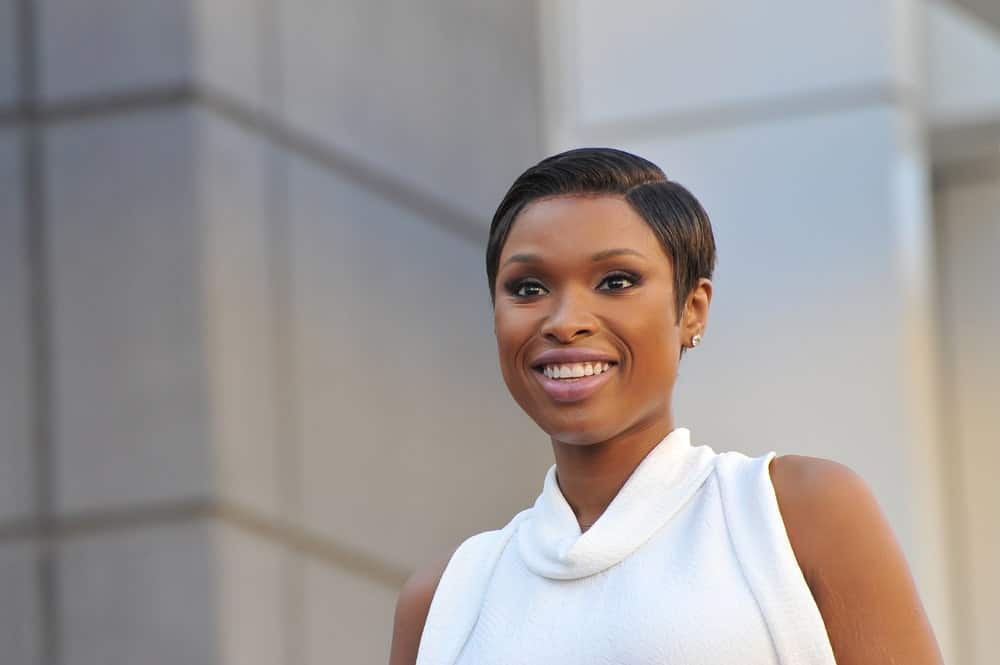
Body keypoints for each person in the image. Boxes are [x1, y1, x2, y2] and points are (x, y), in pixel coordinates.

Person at [389, 148, 943, 665]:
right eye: (529, 288)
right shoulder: (447, 599)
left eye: (616, 281)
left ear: (693, 310)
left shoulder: (791, 515)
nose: (564, 321)